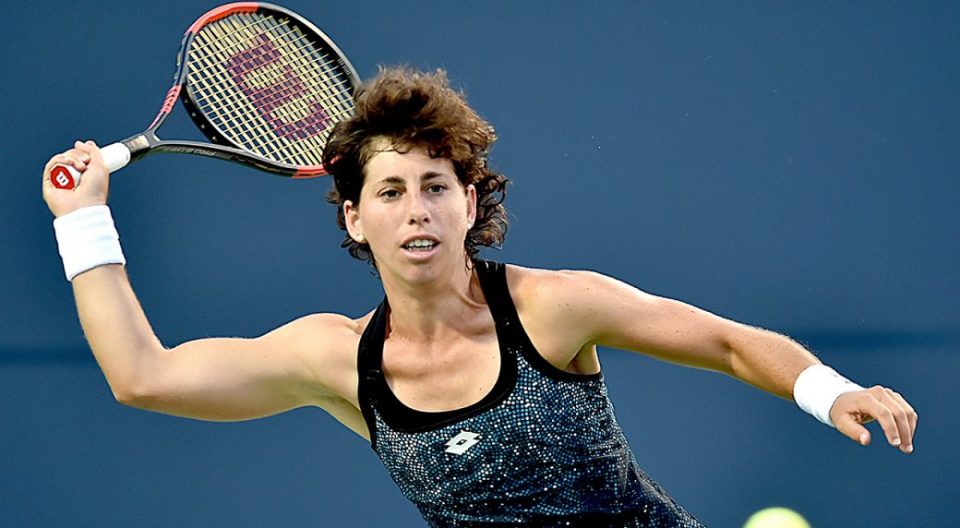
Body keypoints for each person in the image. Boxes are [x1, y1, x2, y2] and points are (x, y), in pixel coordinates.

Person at [42, 67, 917, 528]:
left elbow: (725, 340)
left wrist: (831, 390)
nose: (416, 210)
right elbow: (143, 377)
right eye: (391, 192)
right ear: (355, 218)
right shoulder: (334, 358)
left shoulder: (553, 308)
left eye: (436, 187)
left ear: (470, 203)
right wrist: (83, 223)